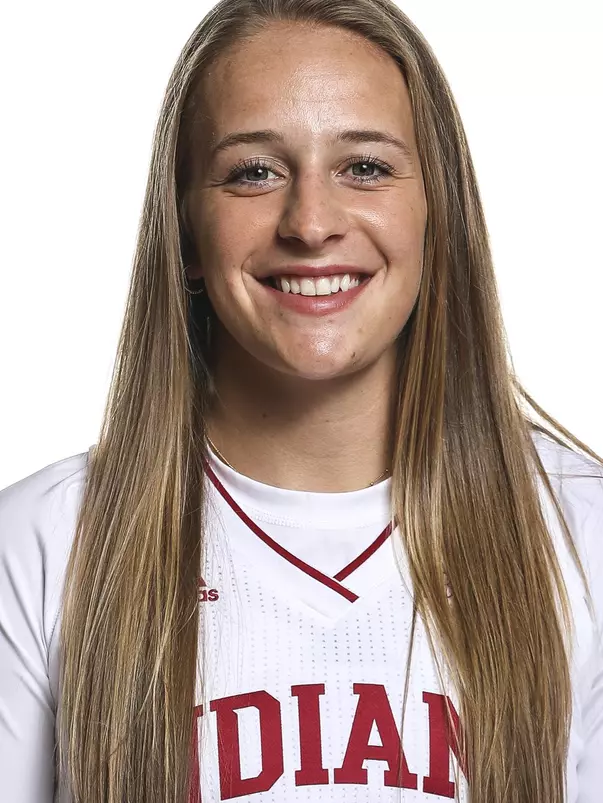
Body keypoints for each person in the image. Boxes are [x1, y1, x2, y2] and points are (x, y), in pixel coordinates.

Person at [0, 0, 601, 801]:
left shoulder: (581, 537)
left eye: (364, 167)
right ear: (185, 232)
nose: (311, 223)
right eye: (254, 171)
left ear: (437, 213)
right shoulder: (41, 544)